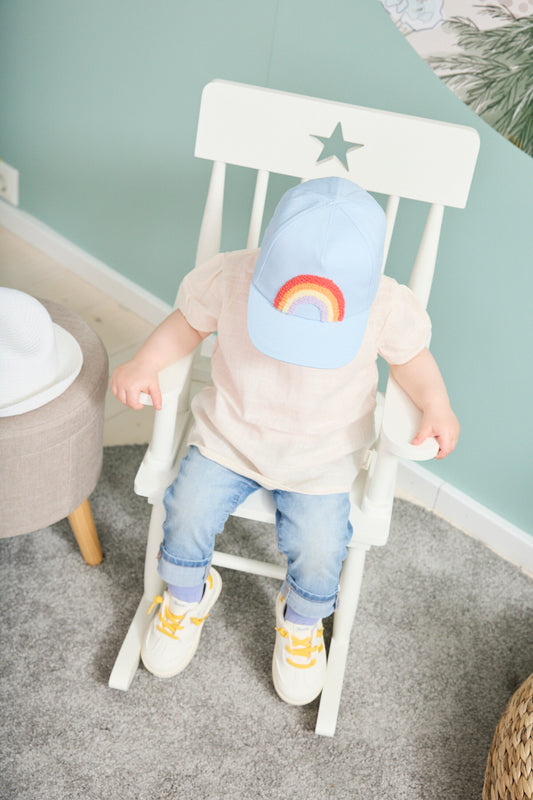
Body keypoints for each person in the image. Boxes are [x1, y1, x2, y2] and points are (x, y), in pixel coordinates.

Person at [111, 177, 459, 705]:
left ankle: (300, 621)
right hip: (231, 436)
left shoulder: (385, 305)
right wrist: (145, 361)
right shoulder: (233, 276)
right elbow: (186, 325)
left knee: (321, 547)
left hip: (322, 457)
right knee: (186, 510)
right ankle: (185, 595)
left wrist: (436, 404)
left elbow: (412, 361)